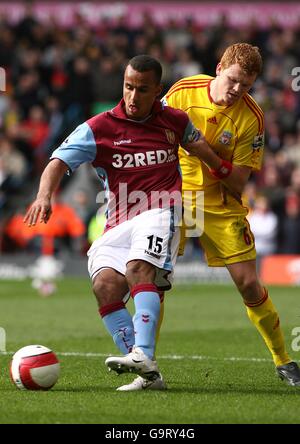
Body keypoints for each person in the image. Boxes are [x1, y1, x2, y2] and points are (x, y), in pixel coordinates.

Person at [23, 55, 226, 391]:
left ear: (157, 91)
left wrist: (223, 172)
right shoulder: (99, 127)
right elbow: (58, 160)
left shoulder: (174, 120)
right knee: (105, 287)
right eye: (128, 87)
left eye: (142, 90)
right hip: (117, 220)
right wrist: (44, 195)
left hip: (162, 209)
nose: (133, 96)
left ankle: (143, 353)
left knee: (138, 268)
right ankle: (148, 372)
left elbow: (198, 143)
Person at [162, 43, 300, 387]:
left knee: (249, 284)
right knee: (154, 280)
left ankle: (284, 361)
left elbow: (238, 180)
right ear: (220, 67)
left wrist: (205, 153)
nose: (238, 90)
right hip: (174, 196)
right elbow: (153, 135)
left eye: (247, 86)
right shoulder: (183, 91)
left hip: (220, 204)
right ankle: (144, 360)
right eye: (234, 80)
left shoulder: (252, 117)